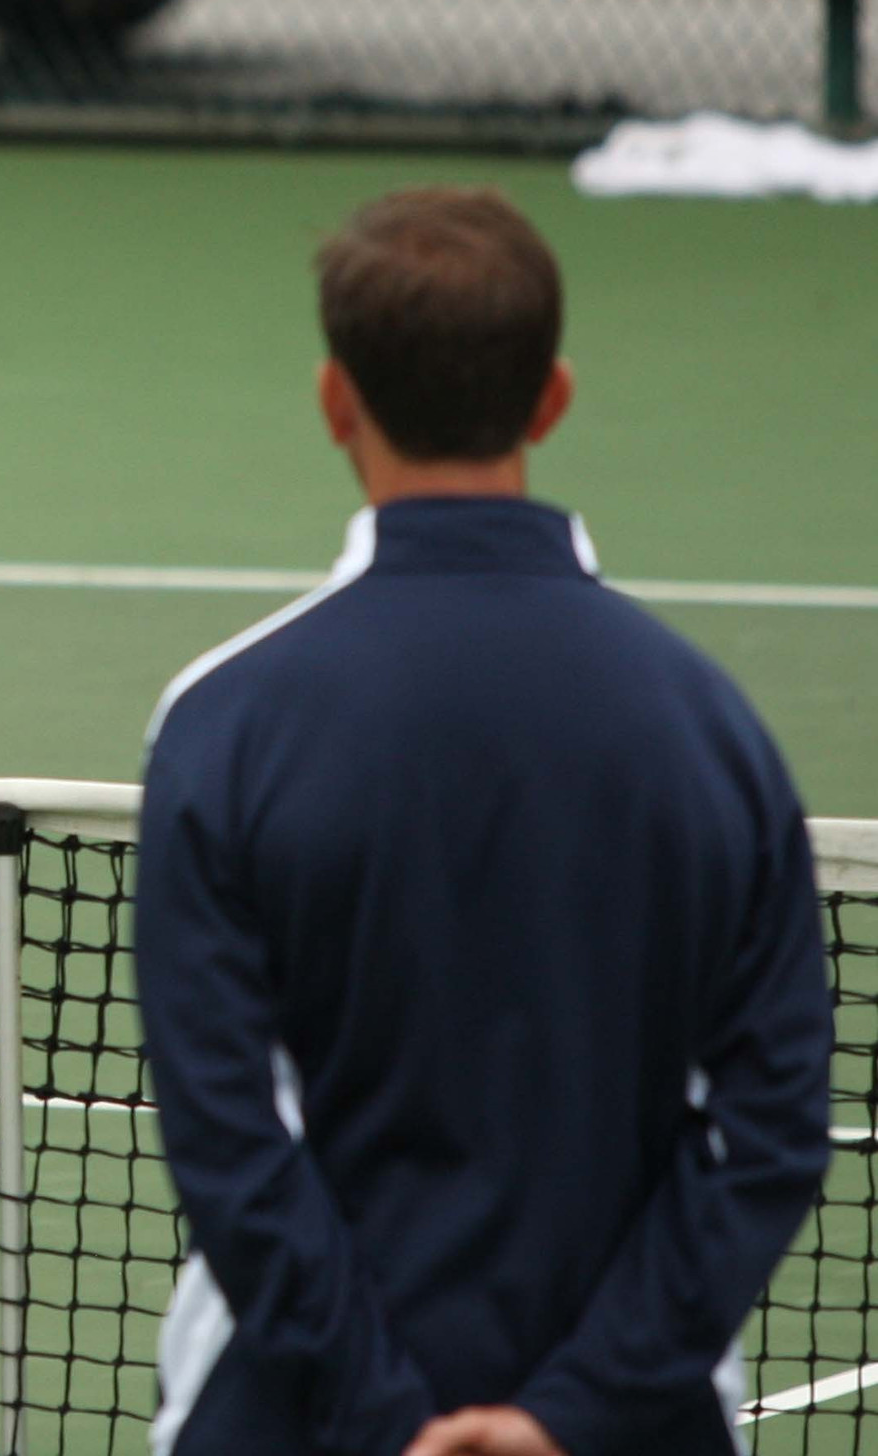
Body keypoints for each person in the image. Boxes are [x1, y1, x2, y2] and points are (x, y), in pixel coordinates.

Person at [133, 186, 831, 1456]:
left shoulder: (221, 724)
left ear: (335, 400)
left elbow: (228, 1135)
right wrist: (569, 1415)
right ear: (552, 397)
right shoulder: (714, 730)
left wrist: (388, 1414)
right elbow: (769, 1124)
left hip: (291, 1423)